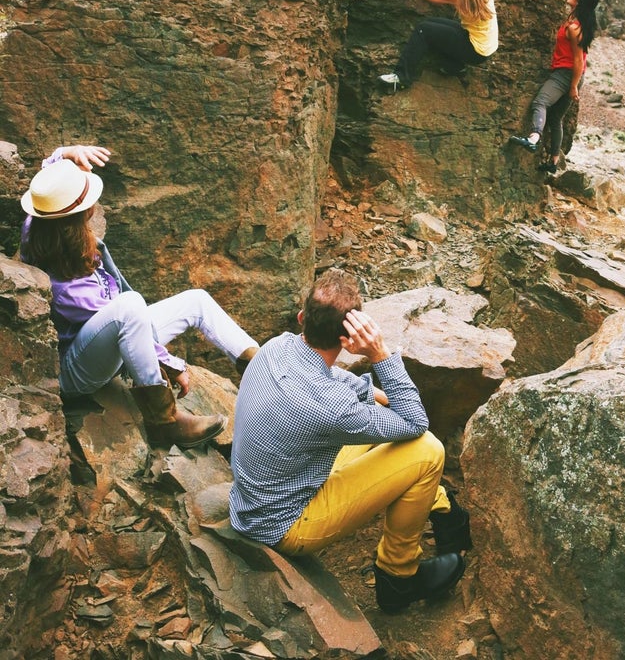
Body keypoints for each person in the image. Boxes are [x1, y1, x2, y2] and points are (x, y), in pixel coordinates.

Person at [229, 269, 471, 614]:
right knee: (428, 450)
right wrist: (380, 355)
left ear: (302, 319)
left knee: (384, 424)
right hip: (285, 523)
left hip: (258, 495)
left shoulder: (276, 346)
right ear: (348, 339)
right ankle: (399, 578)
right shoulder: (333, 409)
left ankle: (442, 508)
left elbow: (330, 379)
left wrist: (378, 396)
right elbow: (416, 422)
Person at [21, 144, 260, 450]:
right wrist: (173, 365)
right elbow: (126, 322)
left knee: (196, 300)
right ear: (81, 213)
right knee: (130, 306)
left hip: (113, 335)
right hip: (79, 368)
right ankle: (165, 421)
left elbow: (46, 188)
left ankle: (259, 365)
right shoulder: (69, 289)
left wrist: (67, 153)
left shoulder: (40, 222)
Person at [509, 0, 600, 174]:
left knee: (540, 103)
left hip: (567, 74)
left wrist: (572, 87)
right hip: (571, 74)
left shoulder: (574, 28)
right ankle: (553, 160)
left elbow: (578, 60)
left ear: (578, 2)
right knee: (556, 117)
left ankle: (533, 138)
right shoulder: (578, 17)